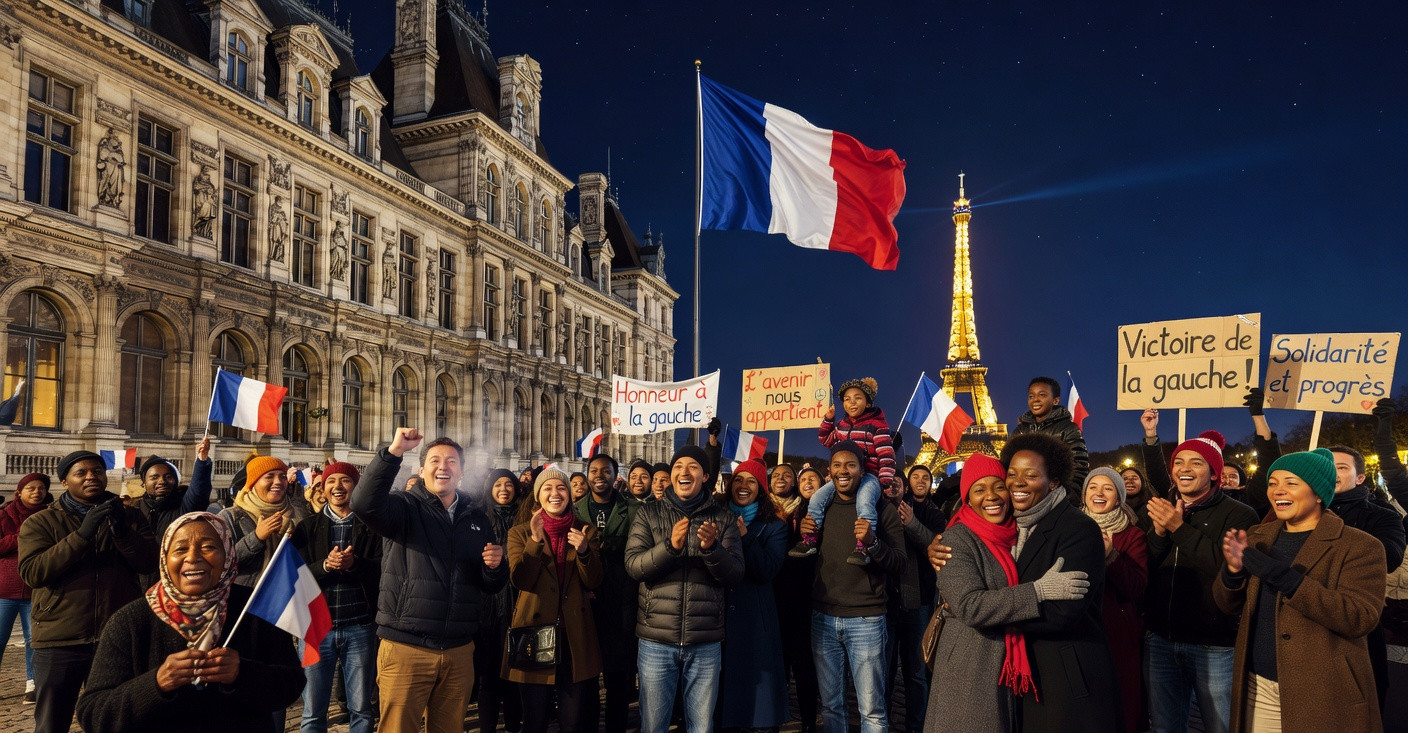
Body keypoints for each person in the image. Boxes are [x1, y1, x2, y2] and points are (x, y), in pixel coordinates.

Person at [1243, 388, 1405, 709]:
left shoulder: (1380, 517)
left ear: (1360, 477)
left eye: (1341, 468)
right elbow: (1270, 471)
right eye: (1325, 468)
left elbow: (1386, 558)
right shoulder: (1285, 514)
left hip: (1346, 641)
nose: (1331, 472)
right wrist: (1259, 419)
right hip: (1279, 646)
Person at [76, 512, 305, 732]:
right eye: (181, 549)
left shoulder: (254, 608)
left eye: (209, 547)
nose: (193, 557)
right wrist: (156, 684)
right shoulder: (130, 621)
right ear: (165, 558)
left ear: (227, 554)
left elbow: (291, 684)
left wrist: (242, 674)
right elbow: (94, 714)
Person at [1215, 449, 1386, 732]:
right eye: (1273, 483)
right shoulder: (1258, 536)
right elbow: (1226, 605)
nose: (1278, 490)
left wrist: (1285, 578)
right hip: (1258, 687)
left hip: (1323, 695)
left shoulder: (1360, 546)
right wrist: (1232, 573)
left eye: (1291, 483)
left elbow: (1359, 618)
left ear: (1318, 492)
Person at [351, 428, 507, 733]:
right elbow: (363, 504)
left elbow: (489, 585)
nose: (443, 467)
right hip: (407, 646)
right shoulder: (403, 507)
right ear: (422, 471)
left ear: (461, 472)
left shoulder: (476, 518)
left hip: (459, 650)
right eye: (435, 460)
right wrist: (394, 451)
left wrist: (495, 568)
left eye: (451, 461)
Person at [923, 454, 1090, 732]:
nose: (991, 496)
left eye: (998, 486)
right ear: (967, 498)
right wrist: (1037, 591)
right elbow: (969, 605)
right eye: (979, 489)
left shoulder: (1012, 531)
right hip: (969, 665)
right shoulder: (955, 539)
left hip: (1000, 664)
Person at [19, 450, 158, 733]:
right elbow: (34, 572)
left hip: (115, 635)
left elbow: (148, 563)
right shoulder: (41, 522)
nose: (91, 477)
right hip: (60, 638)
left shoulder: (129, 516)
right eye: (80, 473)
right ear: (65, 482)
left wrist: (121, 532)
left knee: (118, 720)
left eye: (97, 471)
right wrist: (82, 535)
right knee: (50, 723)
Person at [1140, 409, 1258, 733]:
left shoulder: (1241, 515)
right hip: (1160, 638)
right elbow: (1147, 566)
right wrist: (1160, 533)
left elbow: (1224, 568)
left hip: (1214, 644)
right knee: (1164, 727)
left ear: (1214, 472)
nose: (1184, 469)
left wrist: (1178, 527)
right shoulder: (1166, 506)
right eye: (1179, 462)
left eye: (1196, 463)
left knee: (1221, 726)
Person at [996, 432, 1120, 731]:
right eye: (1011, 474)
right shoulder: (1003, 525)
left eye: (1031, 474)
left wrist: (988, 612)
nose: (1018, 482)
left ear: (1054, 482)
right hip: (1017, 672)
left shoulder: (1079, 529)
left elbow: (1063, 613)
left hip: (1063, 676)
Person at [625, 444, 744, 733]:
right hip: (656, 640)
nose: (683, 472)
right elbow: (634, 566)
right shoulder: (648, 514)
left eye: (692, 467)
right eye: (678, 466)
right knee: (653, 726)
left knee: (701, 727)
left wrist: (712, 549)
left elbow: (736, 575)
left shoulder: (723, 518)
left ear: (705, 476)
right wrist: (670, 547)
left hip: (705, 642)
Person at [805, 441, 906, 733]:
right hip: (823, 618)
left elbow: (900, 562)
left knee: (871, 710)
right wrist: (805, 533)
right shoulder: (820, 509)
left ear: (863, 470)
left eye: (850, 465)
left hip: (866, 619)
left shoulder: (881, 509)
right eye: (837, 465)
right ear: (829, 471)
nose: (843, 471)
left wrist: (873, 543)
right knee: (831, 706)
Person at [504, 469, 603, 733]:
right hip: (535, 633)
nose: (554, 494)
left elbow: (593, 581)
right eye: (547, 489)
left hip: (573, 635)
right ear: (538, 496)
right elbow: (521, 580)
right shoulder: (520, 533)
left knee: (572, 722)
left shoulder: (586, 531)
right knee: (535, 721)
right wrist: (535, 541)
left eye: (561, 488)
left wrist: (583, 551)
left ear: (569, 495)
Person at [292, 462, 382, 733]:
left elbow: (383, 569)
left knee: (361, 709)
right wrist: (324, 567)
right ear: (323, 488)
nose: (338, 487)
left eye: (345, 481)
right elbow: (293, 576)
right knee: (312, 711)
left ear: (355, 487)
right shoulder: (307, 527)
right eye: (332, 482)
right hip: (316, 628)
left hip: (360, 627)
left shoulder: (372, 526)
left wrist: (354, 563)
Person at [792, 378, 896, 565]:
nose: (852, 402)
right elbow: (826, 440)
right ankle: (810, 539)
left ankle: (863, 546)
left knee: (864, 502)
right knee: (817, 497)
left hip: (868, 476)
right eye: (847, 399)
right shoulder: (841, 425)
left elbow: (886, 456)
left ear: (868, 402)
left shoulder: (877, 426)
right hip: (843, 476)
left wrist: (884, 482)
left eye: (857, 398)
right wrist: (828, 420)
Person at [718, 459, 788, 731]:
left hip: (756, 620)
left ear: (761, 488)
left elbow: (767, 570)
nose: (743, 486)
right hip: (722, 616)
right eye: (738, 480)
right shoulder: (718, 517)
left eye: (751, 481)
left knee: (759, 702)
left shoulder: (774, 526)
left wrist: (745, 537)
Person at [573, 452, 638, 733]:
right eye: (594, 471)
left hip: (622, 600)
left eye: (606, 471)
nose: (600, 476)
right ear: (587, 475)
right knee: (586, 676)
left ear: (615, 475)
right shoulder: (575, 511)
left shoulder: (634, 509)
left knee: (618, 678)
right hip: (585, 600)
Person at [1082, 467, 1150, 733]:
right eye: (1093, 487)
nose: (1099, 493)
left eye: (1108, 488)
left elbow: (1137, 587)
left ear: (1119, 497)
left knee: (1119, 703)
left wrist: (1111, 557)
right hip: (1078, 627)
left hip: (1117, 632)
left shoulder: (1132, 535)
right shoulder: (1071, 528)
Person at [890, 465, 948, 732]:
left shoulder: (935, 514)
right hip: (890, 601)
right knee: (886, 671)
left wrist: (912, 523)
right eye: (916, 476)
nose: (921, 480)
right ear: (907, 482)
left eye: (926, 477)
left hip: (919, 601)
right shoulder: (893, 506)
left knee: (916, 672)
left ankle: (917, 727)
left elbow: (935, 546)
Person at [476, 469, 524, 733]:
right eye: (497, 484)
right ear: (489, 488)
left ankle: (513, 725)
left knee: (515, 673)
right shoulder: (480, 516)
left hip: (518, 599)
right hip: (489, 602)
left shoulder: (524, 516)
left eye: (508, 484)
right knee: (488, 674)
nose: (503, 489)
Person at [772, 463, 819, 732]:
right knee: (778, 665)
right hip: (774, 598)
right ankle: (775, 718)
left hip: (804, 599)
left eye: (787, 475)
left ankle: (809, 722)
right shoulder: (765, 510)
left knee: (804, 667)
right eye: (776, 474)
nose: (781, 478)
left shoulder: (809, 510)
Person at [219, 455, 310, 588]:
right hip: (246, 598)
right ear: (253, 482)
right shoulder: (231, 516)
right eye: (269, 476)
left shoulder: (300, 513)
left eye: (282, 476)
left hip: (291, 593)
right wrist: (256, 538)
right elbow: (220, 562)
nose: (278, 481)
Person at [1, 473, 51, 704]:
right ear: (19, 492)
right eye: (31, 488)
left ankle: (33, 684)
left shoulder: (51, 516)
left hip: (38, 589)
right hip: (4, 590)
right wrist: (22, 537)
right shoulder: (3, 515)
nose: (37, 492)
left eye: (41, 488)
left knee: (35, 640)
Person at [1015, 376, 1091, 498]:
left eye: (1042, 395)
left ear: (1055, 401)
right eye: (1031, 396)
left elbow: (1079, 468)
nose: (1035, 400)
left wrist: (1066, 498)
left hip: (1054, 498)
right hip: (1024, 496)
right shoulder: (1020, 430)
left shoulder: (1068, 429)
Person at [134, 437, 215, 546]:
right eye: (154, 477)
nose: (162, 481)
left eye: (168, 477)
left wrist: (202, 460)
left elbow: (199, 490)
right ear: (144, 484)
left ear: (176, 482)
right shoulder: (134, 510)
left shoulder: (184, 506)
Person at [1120, 465, 1153, 531]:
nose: (1129, 481)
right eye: (1125, 478)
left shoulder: (1153, 507)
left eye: (1134, 478)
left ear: (1142, 483)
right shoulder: (1110, 508)